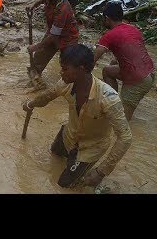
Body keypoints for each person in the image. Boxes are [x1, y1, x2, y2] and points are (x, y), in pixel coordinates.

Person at [23, 44, 132, 188]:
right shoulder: (65, 83)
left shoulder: (108, 99)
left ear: (81, 69)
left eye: (65, 69)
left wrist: (101, 172)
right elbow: (47, 96)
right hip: (68, 135)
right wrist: (31, 104)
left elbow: (125, 137)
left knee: (64, 186)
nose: (61, 73)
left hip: (90, 148)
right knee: (54, 154)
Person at [94, 1, 155, 121]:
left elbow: (93, 59)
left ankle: (116, 109)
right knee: (107, 71)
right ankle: (113, 101)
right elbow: (135, 52)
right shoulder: (133, 29)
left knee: (120, 121)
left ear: (107, 18)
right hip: (150, 73)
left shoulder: (109, 36)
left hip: (137, 81)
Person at [25, 0, 79, 81]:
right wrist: (34, 5)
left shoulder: (63, 9)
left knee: (67, 66)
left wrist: (35, 47)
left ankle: (70, 86)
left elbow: (54, 36)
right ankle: (35, 80)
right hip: (52, 32)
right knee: (37, 60)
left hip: (67, 39)